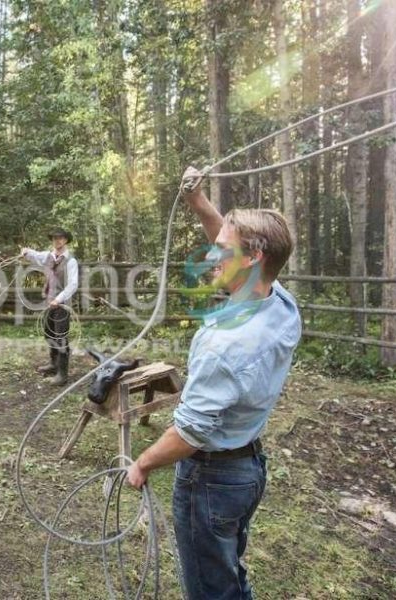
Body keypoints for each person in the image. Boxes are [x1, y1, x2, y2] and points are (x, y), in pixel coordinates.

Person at [127, 166, 301, 599]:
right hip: (246, 471)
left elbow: (189, 432)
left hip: (211, 480)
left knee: (210, 589)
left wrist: (144, 463)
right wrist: (199, 202)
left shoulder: (225, 344)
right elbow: (232, 240)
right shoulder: (280, 302)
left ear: (252, 258)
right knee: (227, 572)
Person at [21, 228, 79, 386]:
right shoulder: (48, 256)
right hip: (49, 303)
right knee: (49, 334)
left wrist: (59, 299)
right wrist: (26, 251)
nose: (57, 241)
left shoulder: (71, 261)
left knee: (61, 338)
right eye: (55, 238)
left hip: (62, 304)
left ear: (66, 240)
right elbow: (35, 255)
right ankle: (53, 364)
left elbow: (73, 285)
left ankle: (62, 374)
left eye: (60, 238)